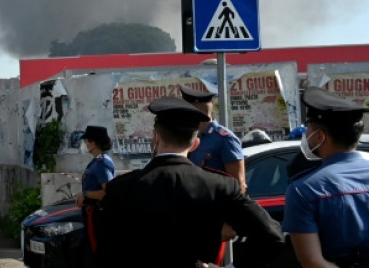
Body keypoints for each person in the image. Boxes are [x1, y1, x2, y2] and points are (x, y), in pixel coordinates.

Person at [99, 96, 284, 268]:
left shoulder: (120, 188)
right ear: (195, 144)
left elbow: (107, 251)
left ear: (155, 137)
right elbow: (272, 236)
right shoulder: (221, 186)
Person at [283, 87, 369, 267]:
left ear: (320, 136)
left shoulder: (303, 189)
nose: (305, 135)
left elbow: (312, 261)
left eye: (308, 129)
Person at [181, 85, 246, 192]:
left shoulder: (225, 139)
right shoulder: (191, 136)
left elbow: (238, 185)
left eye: (186, 108)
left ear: (196, 108)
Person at [76, 125, 114, 262]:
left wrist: (86, 195)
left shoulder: (102, 163)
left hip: (96, 212)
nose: (85, 144)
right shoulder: (96, 161)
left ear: (93, 143)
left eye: (86, 141)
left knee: (95, 250)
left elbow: (107, 192)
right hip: (91, 211)